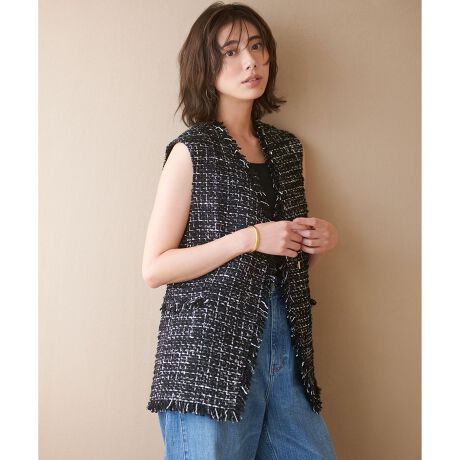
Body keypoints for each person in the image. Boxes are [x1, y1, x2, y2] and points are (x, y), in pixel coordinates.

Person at [142, 2, 339, 459]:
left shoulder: (288, 150)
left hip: (286, 354)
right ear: (205, 66)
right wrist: (251, 237)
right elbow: (154, 267)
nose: (250, 62)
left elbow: (284, 260)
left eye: (256, 47)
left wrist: (318, 241)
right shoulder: (191, 151)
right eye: (230, 52)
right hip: (206, 360)